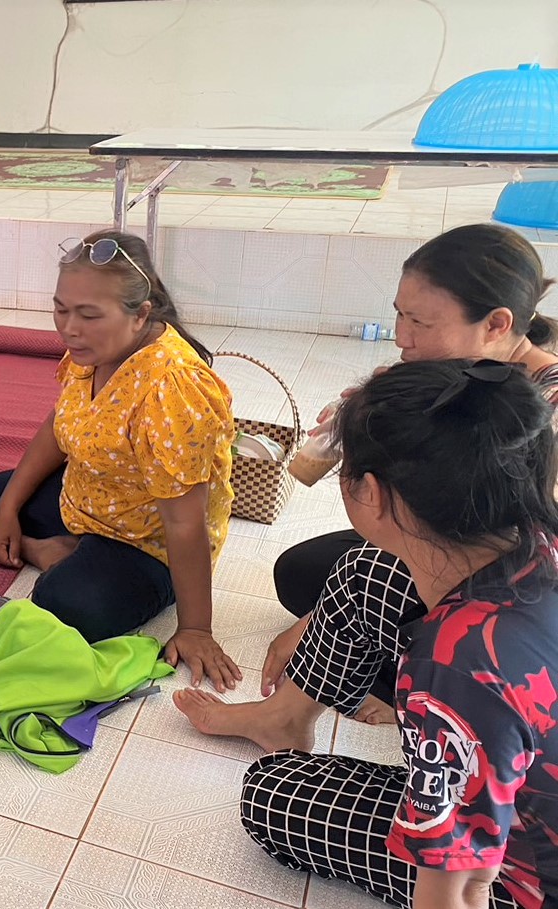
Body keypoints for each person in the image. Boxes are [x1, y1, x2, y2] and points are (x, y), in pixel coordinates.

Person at [229, 360, 558, 909]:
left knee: (273, 793)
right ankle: (282, 716)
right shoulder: (538, 538)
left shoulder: (454, 664)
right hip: (528, 787)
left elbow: (462, 887)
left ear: (373, 494)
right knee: (366, 574)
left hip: (527, 885)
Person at [206, 223, 558, 734]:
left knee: (352, 582)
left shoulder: (546, 405)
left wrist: (316, 625)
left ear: (497, 324)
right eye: (399, 313)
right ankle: (361, 671)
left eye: (419, 321)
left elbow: (503, 538)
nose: (402, 336)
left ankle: (418, 685)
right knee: (304, 572)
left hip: (511, 575)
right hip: (444, 530)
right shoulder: (459, 367)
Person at [0, 229, 239, 692]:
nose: (69, 328)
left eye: (89, 315)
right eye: (61, 308)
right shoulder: (90, 351)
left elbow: (186, 524)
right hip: (88, 498)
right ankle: (57, 549)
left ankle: (57, 556)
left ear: (141, 315)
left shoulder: (171, 386)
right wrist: (10, 509)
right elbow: (60, 423)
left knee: (64, 604)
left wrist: (196, 629)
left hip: (148, 542)